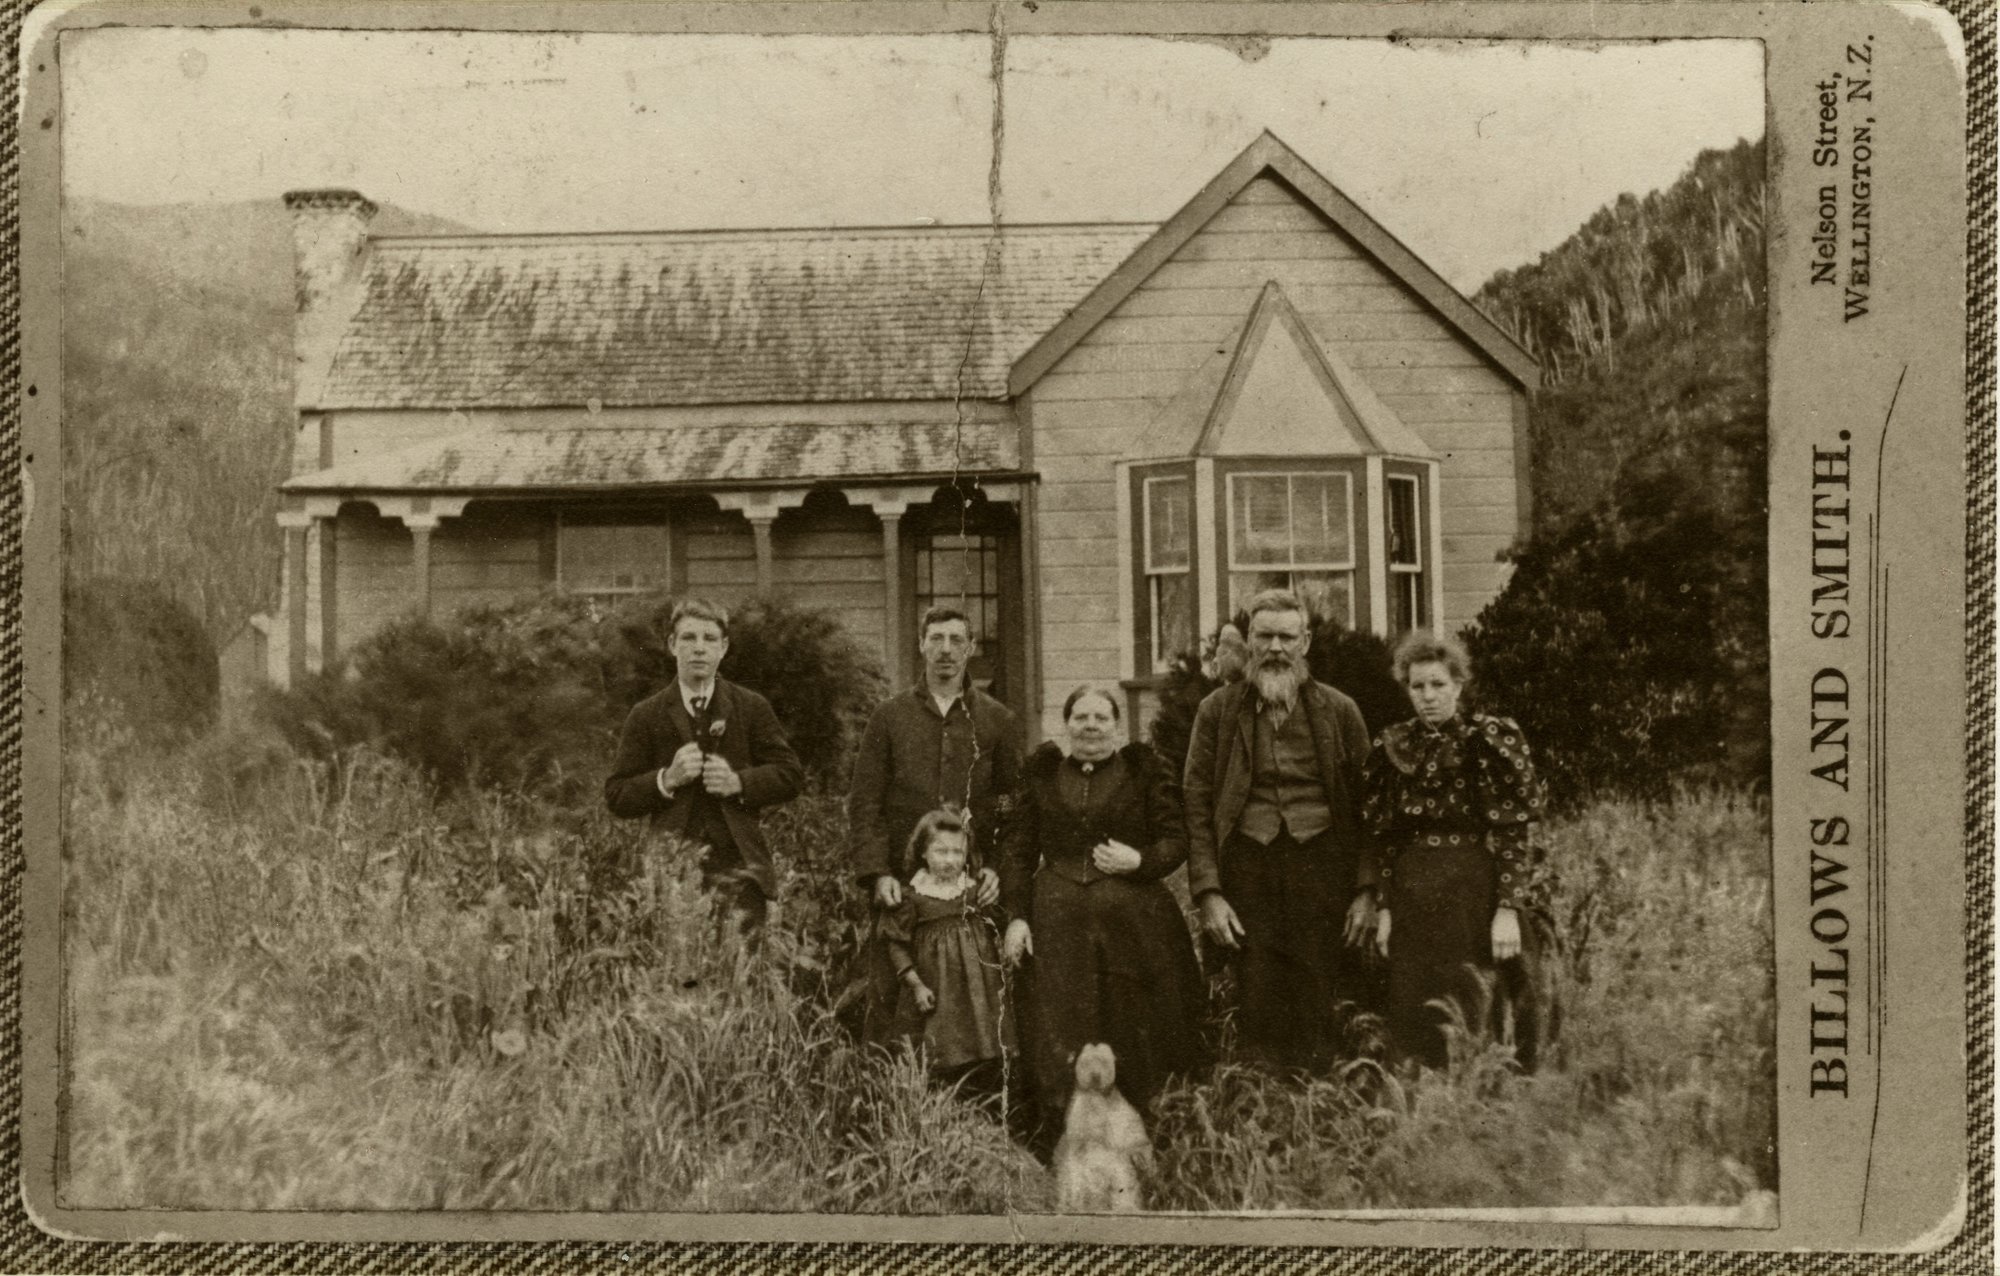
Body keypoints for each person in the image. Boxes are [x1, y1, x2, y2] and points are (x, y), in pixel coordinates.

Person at [1182, 588, 1379, 1071]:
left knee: (1318, 991)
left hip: (1322, 865)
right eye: (1264, 635)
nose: (1274, 648)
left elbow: (1374, 807)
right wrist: (1209, 892)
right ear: (1248, 640)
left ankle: (1318, 1102)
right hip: (1248, 866)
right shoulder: (1218, 711)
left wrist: (1367, 890)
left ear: (1305, 641)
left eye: (1286, 637)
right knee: (1257, 992)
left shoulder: (1340, 711)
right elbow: (1196, 802)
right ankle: (1259, 1101)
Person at [1001, 686, 1204, 1136]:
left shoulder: (1143, 773)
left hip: (1135, 925)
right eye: (1081, 717)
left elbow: (1176, 839)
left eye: (1100, 717)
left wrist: (1141, 861)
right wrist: (1016, 915)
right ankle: (1056, 1136)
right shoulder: (1041, 776)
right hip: (1057, 924)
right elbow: (1017, 849)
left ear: (1117, 725)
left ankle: (1151, 1131)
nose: (1090, 725)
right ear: (1067, 724)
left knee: (1137, 1021)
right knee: (1060, 1024)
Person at [1364, 631, 1549, 1070]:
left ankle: (1485, 1086)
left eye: (1438, 685)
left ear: (1459, 686)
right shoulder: (1392, 746)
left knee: (1477, 994)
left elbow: (1510, 833)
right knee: (1415, 1005)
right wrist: (1386, 909)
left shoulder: (1486, 740)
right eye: (1417, 686)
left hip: (1471, 887)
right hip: (1412, 892)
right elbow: (1385, 839)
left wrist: (1507, 909)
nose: (1427, 696)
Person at [847, 605, 1021, 1041]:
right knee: (895, 988)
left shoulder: (997, 720)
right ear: (921, 644)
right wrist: (877, 873)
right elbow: (866, 801)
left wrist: (996, 866)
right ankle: (896, 1091)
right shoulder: (889, 717)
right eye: (937, 639)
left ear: (971, 649)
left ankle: (970, 1092)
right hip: (903, 882)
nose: (946, 650)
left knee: (970, 990)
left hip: (968, 882)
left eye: (957, 640)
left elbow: (1011, 804)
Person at [604, 599, 804, 930]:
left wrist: (739, 782)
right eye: (689, 638)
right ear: (672, 645)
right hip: (671, 869)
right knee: (675, 972)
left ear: (723, 647)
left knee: (741, 972)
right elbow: (617, 795)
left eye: (709, 639)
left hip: (740, 869)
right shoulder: (646, 714)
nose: (699, 649)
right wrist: (666, 779)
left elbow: (790, 775)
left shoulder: (750, 707)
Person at [878, 808, 1015, 1105]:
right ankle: (940, 1110)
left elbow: (997, 923)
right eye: (941, 851)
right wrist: (916, 985)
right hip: (938, 989)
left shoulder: (974, 890)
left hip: (978, 991)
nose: (951, 860)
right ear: (923, 852)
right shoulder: (912, 896)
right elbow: (896, 944)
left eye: (958, 852)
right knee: (940, 1052)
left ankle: (982, 1108)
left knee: (982, 1046)